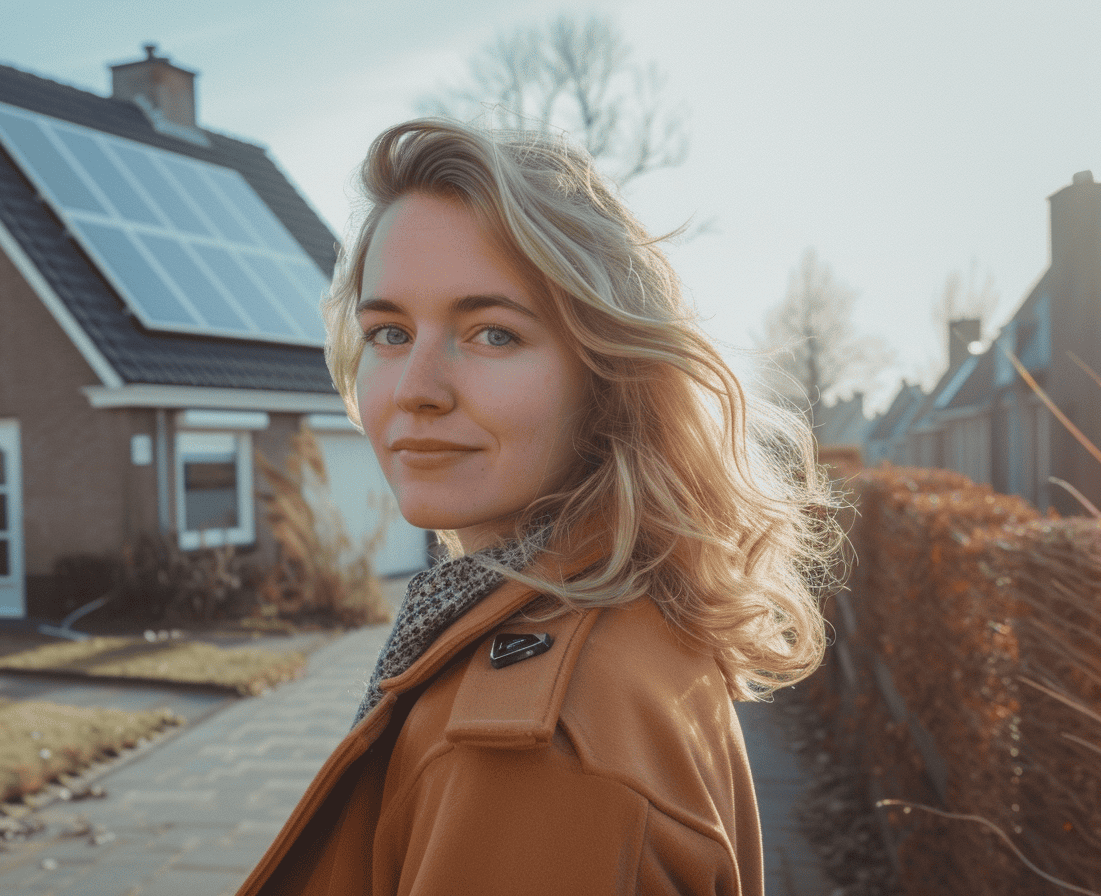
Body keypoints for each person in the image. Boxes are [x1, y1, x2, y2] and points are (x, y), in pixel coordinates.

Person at [236, 118, 839, 896]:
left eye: (492, 334)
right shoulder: (631, 603)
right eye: (389, 332)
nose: (416, 389)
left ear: (606, 372)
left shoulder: (528, 750)